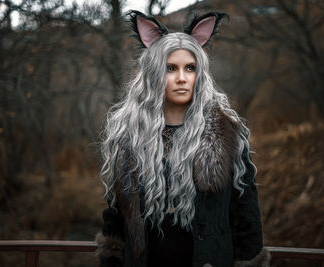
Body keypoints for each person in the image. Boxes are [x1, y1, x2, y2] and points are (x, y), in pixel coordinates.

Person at [95, 10, 270, 267]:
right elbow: (116, 216)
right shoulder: (129, 134)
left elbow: (246, 212)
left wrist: (249, 261)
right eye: (170, 68)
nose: (181, 78)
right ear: (155, 73)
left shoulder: (225, 131)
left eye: (190, 68)